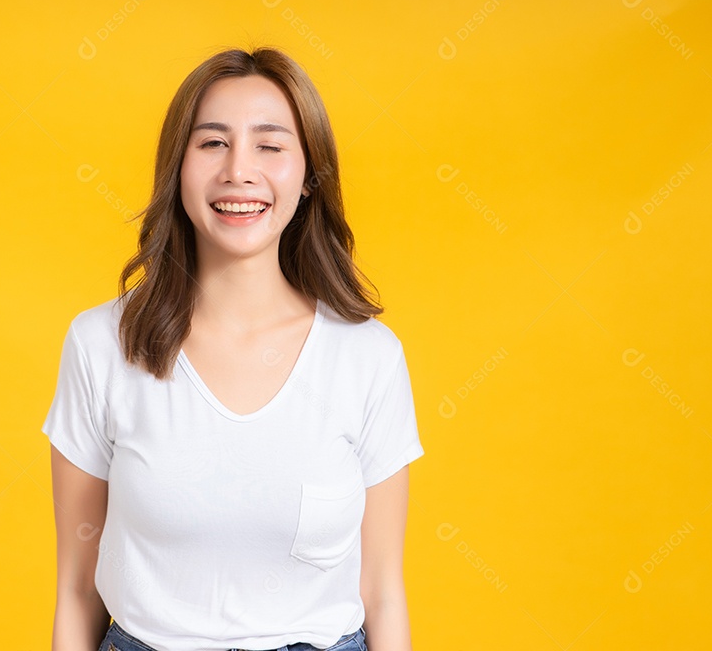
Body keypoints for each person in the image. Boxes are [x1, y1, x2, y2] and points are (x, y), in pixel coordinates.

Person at [42, 46, 425, 651]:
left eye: (270, 146)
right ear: (178, 167)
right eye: (212, 143)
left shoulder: (368, 358)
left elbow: (382, 590)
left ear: (307, 179)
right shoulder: (100, 346)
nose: (238, 171)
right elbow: (76, 590)